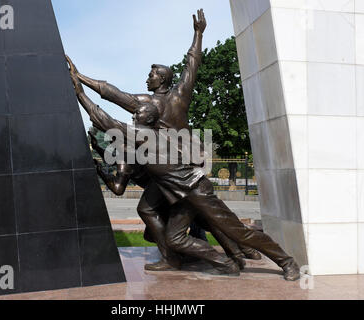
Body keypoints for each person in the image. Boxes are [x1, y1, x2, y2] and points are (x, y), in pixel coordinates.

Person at [70, 72, 300, 280]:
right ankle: (225, 262)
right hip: (180, 195)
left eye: (137, 112)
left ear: (147, 119)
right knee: (175, 238)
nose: (133, 115)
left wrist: (79, 91)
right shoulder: (149, 135)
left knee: (237, 232)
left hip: (196, 190)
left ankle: (287, 262)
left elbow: (105, 121)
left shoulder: (144, 134)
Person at [66, 9, 208, 271]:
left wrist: (198, 34)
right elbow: (112, 93)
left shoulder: (163, 101)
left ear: (162, 78)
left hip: (179, 168)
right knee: (196, 215)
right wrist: (80, 77)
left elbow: (192, 64)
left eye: (152, 74)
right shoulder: (158, 100)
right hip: (173, 168)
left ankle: (211, 255)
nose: (148, 77)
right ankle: (188, 254)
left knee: (205, 216)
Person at [88, 130, 261, 270]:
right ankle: (242, 251)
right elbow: (117, 162)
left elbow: (118, 188)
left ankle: (179, 257)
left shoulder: (124, 157)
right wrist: (98, 149)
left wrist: (101, 173)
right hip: (169, 188)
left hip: (163, 194)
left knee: (185, 224)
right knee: (206, 219)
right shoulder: (132, 152)